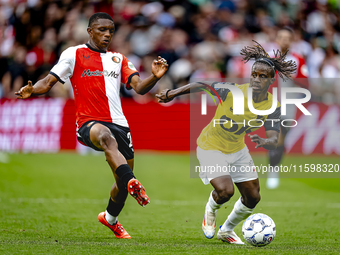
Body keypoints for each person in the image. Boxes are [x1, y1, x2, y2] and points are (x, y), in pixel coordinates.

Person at [15, 12, 168, 239]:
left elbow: (139, 88)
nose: (107, 34)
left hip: (120, 125)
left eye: (111, 31)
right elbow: (47, 82)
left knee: (121, 185)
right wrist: (32, 90)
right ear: (90, 31)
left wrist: (155, 77)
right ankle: (133, 182)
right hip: (89, 123)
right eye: (101, 30)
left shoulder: (119, 59)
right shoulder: (74, 54)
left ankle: (110, 218)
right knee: (106, 138)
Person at [156, 41, 296, 244]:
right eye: (254, 74)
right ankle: (210, 210)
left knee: (253, 197)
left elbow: (274, 138)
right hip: (211, 145)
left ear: (271, 80)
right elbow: (201, 86)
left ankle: (227, 230)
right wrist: (171, 94)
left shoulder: (272, 106)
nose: (256, 79)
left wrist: (266, 141)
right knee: (225, 191)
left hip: (238, 149)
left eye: (262, 76)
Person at [266, 27, 308, 189]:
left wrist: (293, 76)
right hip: (269, 102)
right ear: (277, 39)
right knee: (274, 137)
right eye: (281, 37)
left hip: (289, 103)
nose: (284, 40)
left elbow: (306, 82)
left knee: (282, 138)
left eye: (287, 38)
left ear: (292, 41)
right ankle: (273, 172)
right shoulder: (268, 57)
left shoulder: (298, 60)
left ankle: (274, 168)